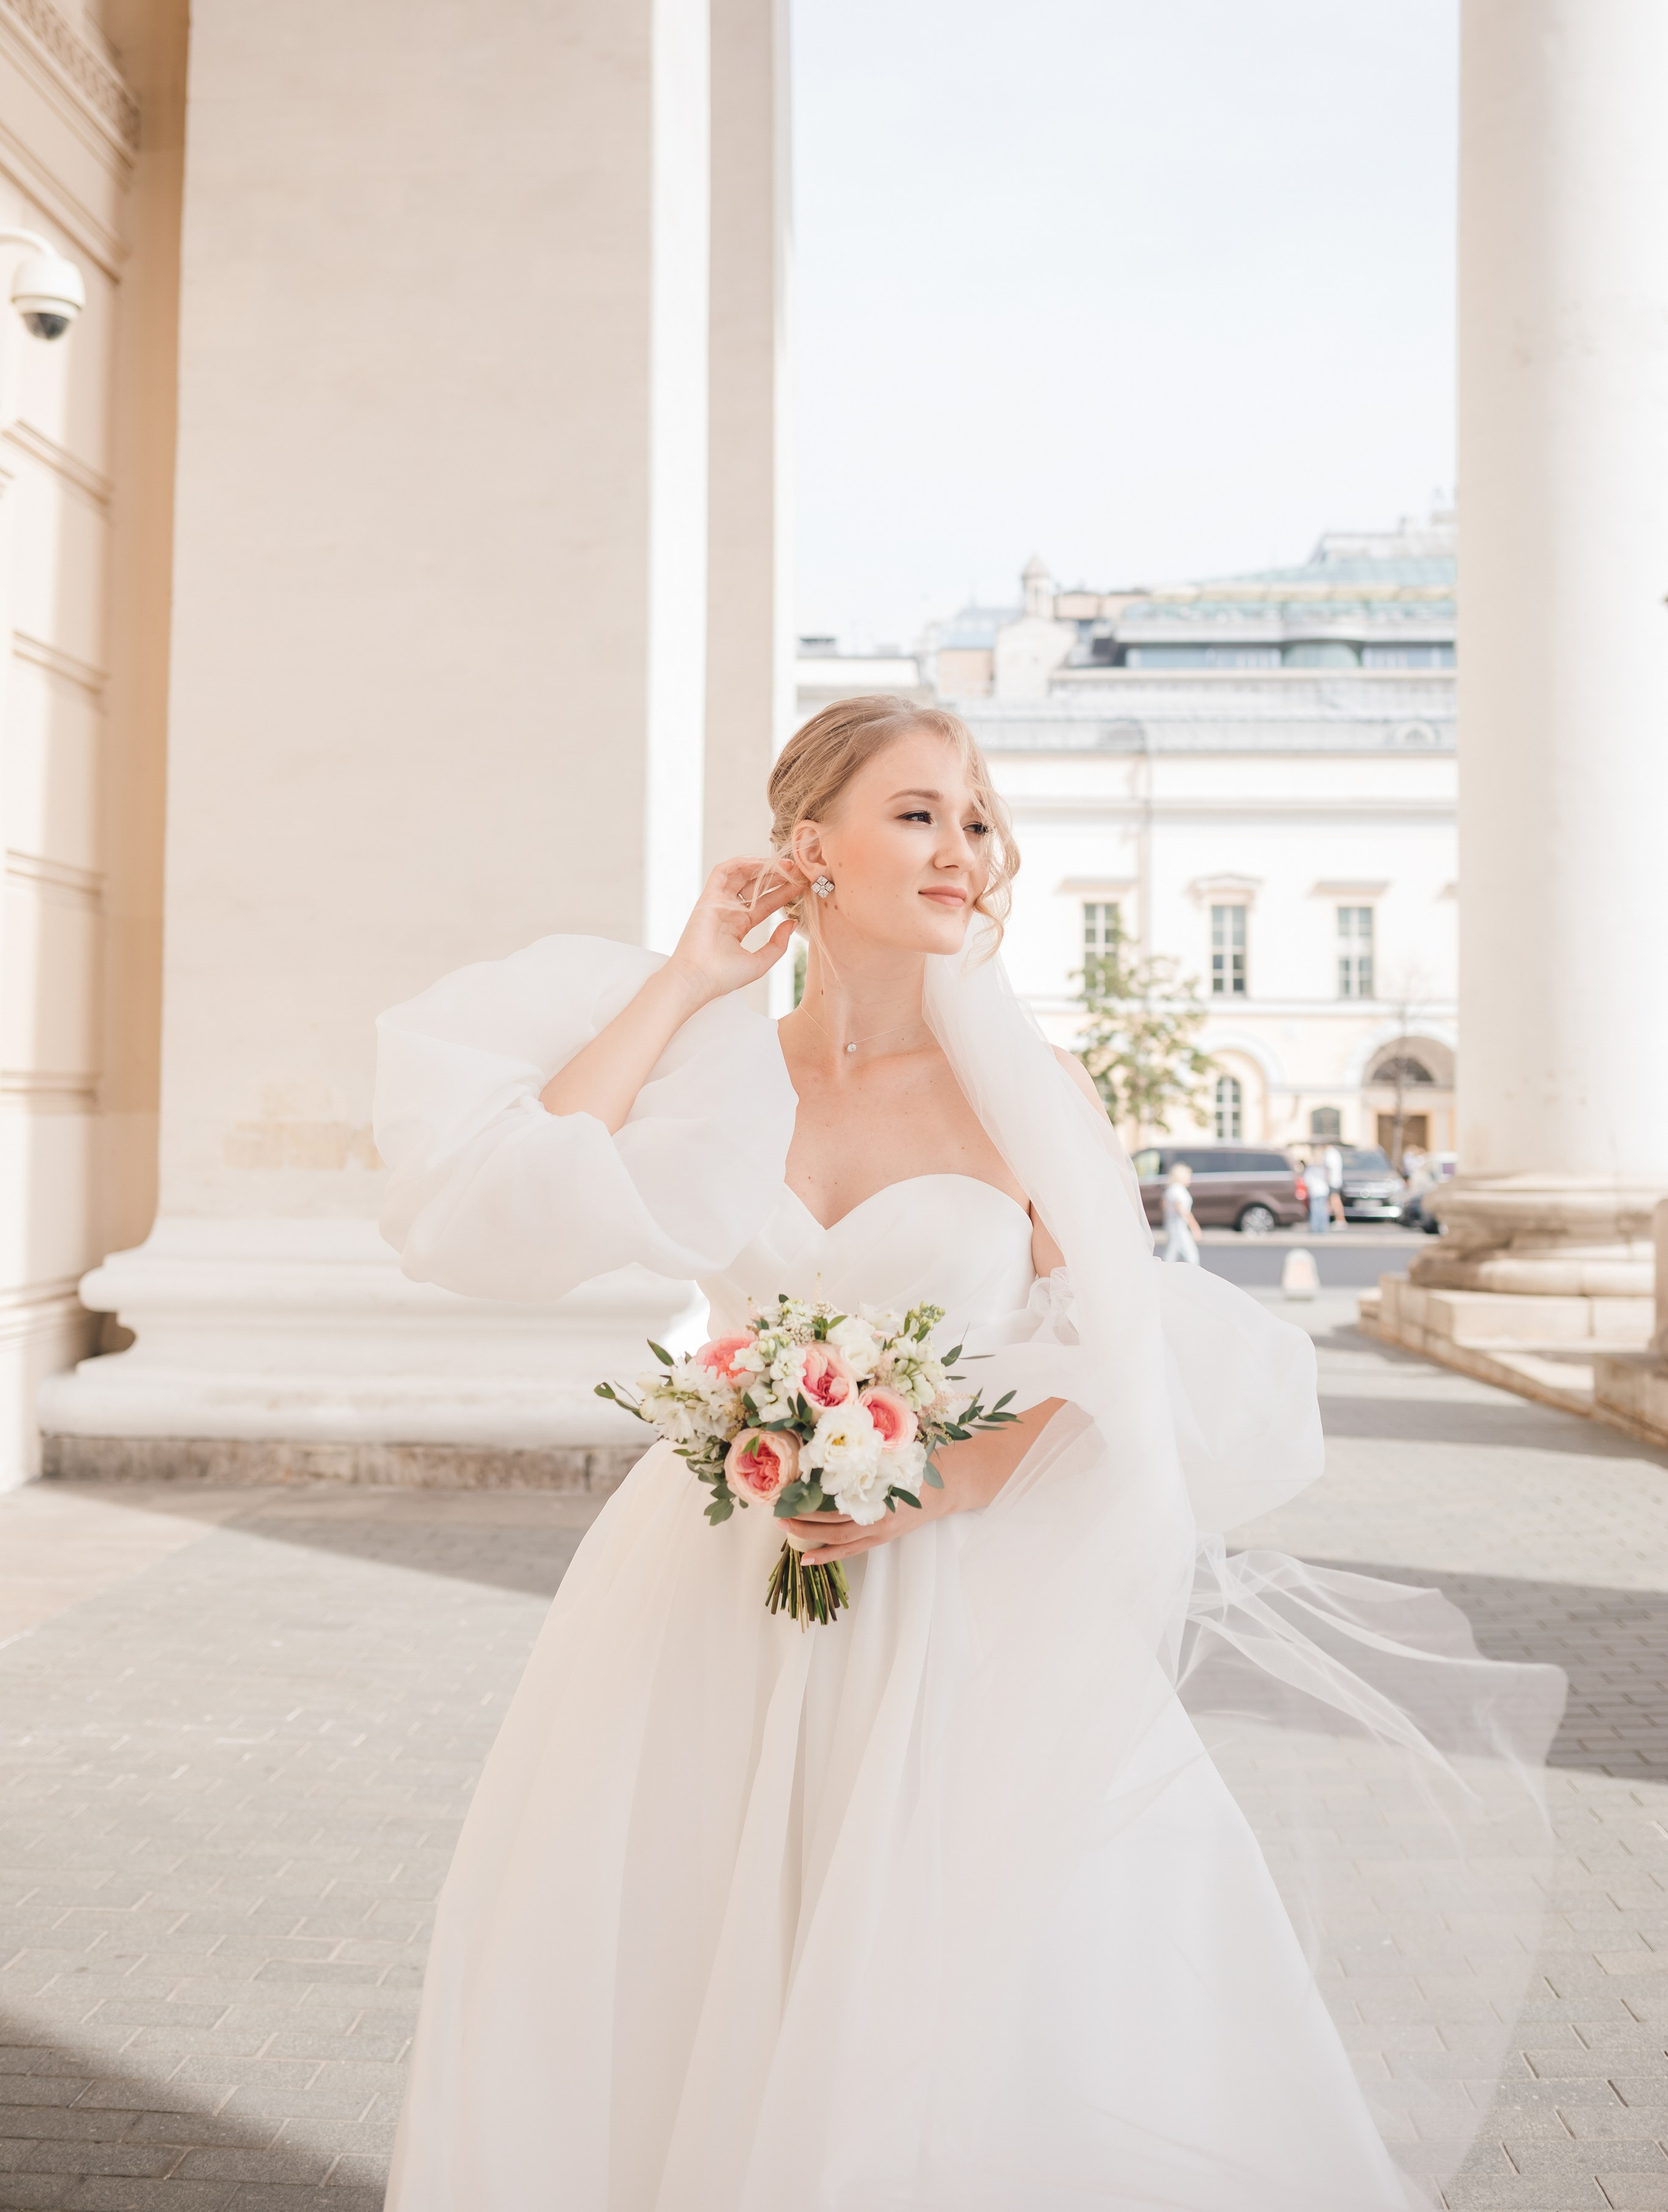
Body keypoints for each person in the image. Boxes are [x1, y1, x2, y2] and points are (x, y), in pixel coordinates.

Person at [372, 695, 1561, 2212]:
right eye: (919, 810)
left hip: (960, 1605)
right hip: (712, 1592)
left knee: (959, 1998)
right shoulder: (715, 1067)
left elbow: (1132, 1344)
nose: (964, 847)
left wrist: (944, 1473)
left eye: (977, 814)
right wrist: (684, 979)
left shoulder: (1024, 1087)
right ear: (809, 842)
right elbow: (500, 1189)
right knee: (683, 1948)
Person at [1161, 1159, 1201, 1263]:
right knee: (1191, 1254)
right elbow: (1181, 1209)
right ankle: (1194, 1273)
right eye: (1188, 1176)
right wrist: (1194, 1226)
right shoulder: (1178, 1190)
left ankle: (1165, 1271)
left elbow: (1163, 1204)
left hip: (1172, 1224)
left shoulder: (1171, 1189)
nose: (1190, 1179)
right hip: (1179, 1225)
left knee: (1172, 1252)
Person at [1304, 1143, 1332, 1234]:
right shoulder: (1325, 1168)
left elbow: (1306, 1181)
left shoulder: (1311, 1168)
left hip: (1315, 1191)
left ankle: (1315, 1229)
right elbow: (1328, 1178)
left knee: (1315, 1210)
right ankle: (1323, 1229)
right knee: (1323, 1210)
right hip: (1323, 1190)